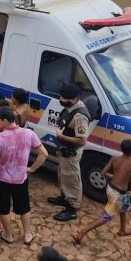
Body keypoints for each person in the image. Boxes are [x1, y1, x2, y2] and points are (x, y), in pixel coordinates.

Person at [0, 106, 48, 245]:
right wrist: (32, 168)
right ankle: (27, 234)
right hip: (21, 178)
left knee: (3, 208)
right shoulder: (28, 134)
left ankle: (8, 235)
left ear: (4, 120)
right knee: (23, 207)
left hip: (2, 178)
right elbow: (44, 154)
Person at [72, 139, 131, 245]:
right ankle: (82, 232)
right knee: (107, 216)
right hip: (119, 193)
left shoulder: (114, 158)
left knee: (124, 208)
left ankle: (122, 230)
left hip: (110, 188)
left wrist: (114, 176)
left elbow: (103, 173)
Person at [47, 84, 89, 222]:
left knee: (72, 180)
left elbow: (82, 141)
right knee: (63, 176)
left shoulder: (80, 116)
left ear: (74, 99)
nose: (60, 99)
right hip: (64, 151)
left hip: (71, 153)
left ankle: (72, 209)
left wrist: (61, 136)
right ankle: (64, 197)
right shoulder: (71, 108)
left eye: (63, 98)